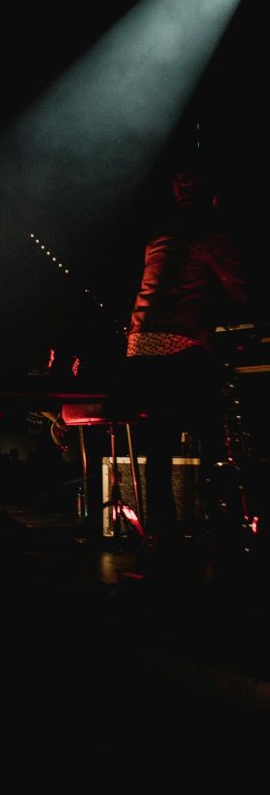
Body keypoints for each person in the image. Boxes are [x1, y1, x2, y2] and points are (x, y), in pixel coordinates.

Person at [117, 166, 249, 547]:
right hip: (177, 346)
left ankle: (162, 528)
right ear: (215, 199)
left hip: (138, 349)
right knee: (213, 433)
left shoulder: (158, 239)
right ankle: (223, 521)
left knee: (159, 442)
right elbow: (242, 291)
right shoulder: (210, 237)